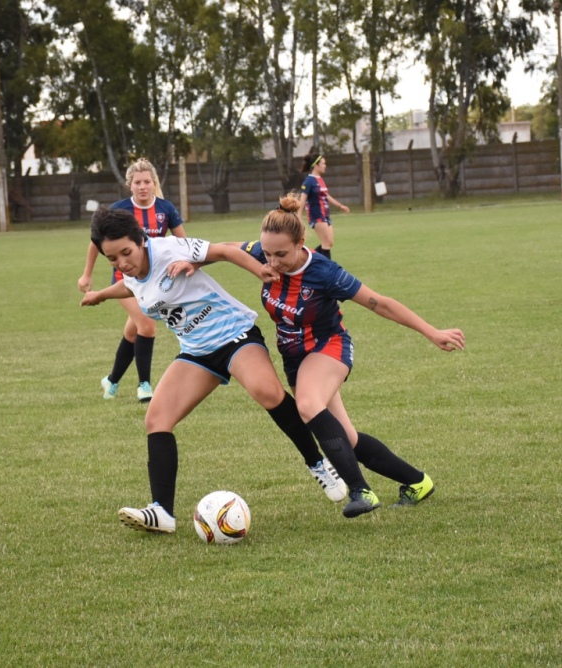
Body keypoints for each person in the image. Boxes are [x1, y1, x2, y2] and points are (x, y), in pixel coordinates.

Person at [181, 194, 466, 517]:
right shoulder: (262, 251)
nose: (271, 262)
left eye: (281, 254)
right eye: (268, 253)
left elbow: (379, 302)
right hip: (294, 359)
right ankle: (417, 482)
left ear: (302, 242)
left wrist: (432, 331)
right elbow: (224, 249)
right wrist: (194, 262)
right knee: (347, 439)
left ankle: (361, 492)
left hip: (328, 348)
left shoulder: (325, 273)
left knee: (307, 405)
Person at [80, 207, 347, 534]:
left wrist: (258, 270)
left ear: (141, 240)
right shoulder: (132, 273)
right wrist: (101, 296)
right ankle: (162, 512)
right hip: (196, 351)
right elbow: (131, 287)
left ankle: (318, 463)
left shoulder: (167, 249)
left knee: (267, 392)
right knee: (157, 419)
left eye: (126, 252)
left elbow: (222, 250)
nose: (121, 263)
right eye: (112, 259)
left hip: (234, 335)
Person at [78, 158, 185, 402]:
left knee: (134, 331)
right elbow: (97, 243)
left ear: (154, 183)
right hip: (125, 279)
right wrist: (87, 273)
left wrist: (184, 264)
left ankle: (112, 381)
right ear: (130, 185)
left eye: (147, 181)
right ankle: (144, 385)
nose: (143, 186)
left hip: (153, 280)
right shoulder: (119, 209)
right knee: (147, 325)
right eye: (138, 182)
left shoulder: (166, 209)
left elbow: (182, 243)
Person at [298, 153, 349, 259]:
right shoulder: (309, 181)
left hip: (325, 214)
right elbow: (302, 200)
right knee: (326, 242)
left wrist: (340, 206)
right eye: (323, 164)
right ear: (316, 165)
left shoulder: (319, 179)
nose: (325, 166)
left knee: (329, 242)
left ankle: (307, 260)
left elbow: (326, 196)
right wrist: (298, 216)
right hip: (316, 215)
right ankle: (327, 270)